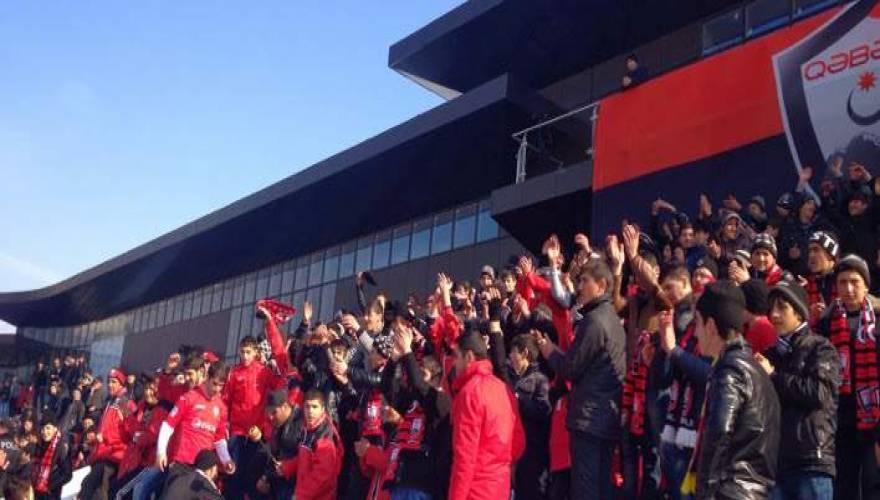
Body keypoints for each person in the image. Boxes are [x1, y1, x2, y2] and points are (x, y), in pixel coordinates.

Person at [537, 259, 626, 500]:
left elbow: (570, 368)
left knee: (586, 489)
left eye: (585, 281)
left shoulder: (595, 320)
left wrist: (550, 352)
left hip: (590, 419)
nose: (579, 287)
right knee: (601, 487)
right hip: (604, 418)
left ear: (601, 285)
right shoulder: (612, 319)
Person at [687, 281, 780, 499]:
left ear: (711, 325)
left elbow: (720, 430)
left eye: (697, 322)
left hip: (731, 491)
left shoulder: (731, 369)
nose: (695, 333)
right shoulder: (750, 366)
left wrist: (705, 491)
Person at [758, 280, 838, 500]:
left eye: (782, 307)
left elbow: (819, 393)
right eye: (771, 309)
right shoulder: (769, 354)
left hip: (811, 459)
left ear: (799, 313)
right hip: (775, 461)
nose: (774, 315)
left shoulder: (820, 347)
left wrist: (774, 377)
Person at [815, 254, 880, 500]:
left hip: (874, 419)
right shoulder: (825, 322)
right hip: (839, 419)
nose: (849, 289)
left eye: (855, 282)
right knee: (844, 485)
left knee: (873, 484)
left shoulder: (878, 322)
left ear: (866, 286)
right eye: (843, 282)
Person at [449, 331, 522, 500]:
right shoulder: (503, 389)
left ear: (469, 357)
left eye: (456, 356)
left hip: (474, 490)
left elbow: (465, 457)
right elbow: (518, 442)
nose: (454, 363)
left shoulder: (469, 393)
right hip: (499, 487)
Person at [156, 358, 234, 488]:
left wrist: (226, 460)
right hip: (182, 463)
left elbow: (219, 439)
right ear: (207, 377)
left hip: (202, 469)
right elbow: (168, 425)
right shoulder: (189, 397)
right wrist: (161, 451)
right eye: (214, 384)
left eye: (221, 385)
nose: (217, 389)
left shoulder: (221, 407)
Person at [80, 368, 136, 500]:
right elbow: (107, 428)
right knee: (92, 489)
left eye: (114, 382)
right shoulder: (111, 402)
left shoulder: (126, 403)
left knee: (93, 487)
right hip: (103, 453)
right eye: (109, 381)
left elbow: (129, 433)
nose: (110, 385)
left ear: (121, 384)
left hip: (114, 455)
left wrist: (105, 438)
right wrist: (95, 439)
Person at [508, 334, 551, 500]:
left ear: (525, 353)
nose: (510, 356)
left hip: (534, 450)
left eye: (513, 352)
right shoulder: (513, 379)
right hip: (516, 449)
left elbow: (544, 410)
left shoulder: (540, 380)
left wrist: (520, 400)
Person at [290, 390, 342, 500]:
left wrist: (301, 495)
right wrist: (287, 467)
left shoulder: (325, 435)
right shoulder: (308, 429)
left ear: (323, 409)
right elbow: (304, 458)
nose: (310, 411)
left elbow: (322, 474)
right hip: (306, 493)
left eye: (314, 407)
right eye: (307, 407)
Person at [259, 389, 301, 500]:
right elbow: (274, 455)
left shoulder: (301, 423)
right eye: (269, 413)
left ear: (285, 406)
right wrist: (265, 477)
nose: (271, 417)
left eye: (274, 412)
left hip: (296, 485)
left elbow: (306, 458)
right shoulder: (277, 425)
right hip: (280, 482)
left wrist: (288, 467)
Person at [31, 412, 71, 500]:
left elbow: (67, 474)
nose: (45, 432)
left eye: (48, 428)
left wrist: (49, 485)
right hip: (37, 493)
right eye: (42, 428)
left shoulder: (61, 447)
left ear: (55, 429)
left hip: (51, 495)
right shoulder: (39, 446)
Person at [804, 231, 840, 324]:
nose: (811, 255)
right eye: (810, 251)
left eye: (816, 250)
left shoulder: (844, 281)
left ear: (830, 255)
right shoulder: (805, 284)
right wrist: (809, 313)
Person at [159, 449, 223, 500]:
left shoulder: (178, 473)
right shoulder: (202, 482)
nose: (216, 474)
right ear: (211, 469)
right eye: (216, 470)